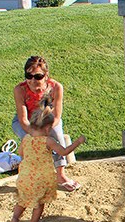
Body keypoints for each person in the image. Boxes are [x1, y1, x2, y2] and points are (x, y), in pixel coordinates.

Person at [9, 100, 86, 222]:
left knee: (22, 200)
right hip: (41, 178)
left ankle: (15, 220)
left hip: (25, 177)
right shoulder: (48, 141)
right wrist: (78, 142)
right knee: (39, 202)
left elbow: (21, 153)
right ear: (47, 128)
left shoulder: (26, 138)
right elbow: (64, 152)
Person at [12, 56, 79, 191]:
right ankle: (32, 177)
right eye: (28, 76)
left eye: (38, 76)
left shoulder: (56, 87)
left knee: (57, 137)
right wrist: (35, 133)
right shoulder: (20, 90)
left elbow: (56, 116)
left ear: (46, 75)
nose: (32, 80)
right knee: (30, 142)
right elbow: (23, 120)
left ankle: (60, 174)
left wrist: (46, 132)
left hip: (49, 120)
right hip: (28, 122)